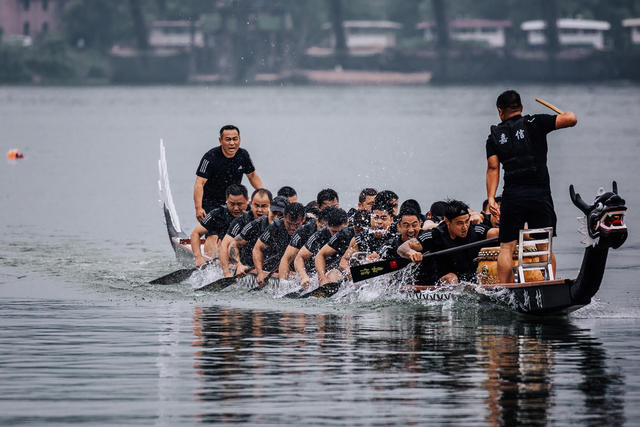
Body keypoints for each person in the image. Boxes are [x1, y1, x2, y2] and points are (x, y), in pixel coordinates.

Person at [486, 90, 577, 283]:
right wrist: (568, 115)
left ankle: (504, 290)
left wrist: (492, 197)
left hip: (512, 196)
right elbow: (571, 119)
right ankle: (549, 285)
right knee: (544, 246)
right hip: (540, 195)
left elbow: (493, 168)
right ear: (521, 108)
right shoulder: (536, 122)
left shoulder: (494, 136)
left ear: (500, 111)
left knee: (506, 247)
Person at [398, 200, 498, 284]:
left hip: (470, 278)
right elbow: (403, 248)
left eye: (466, 221)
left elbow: (496, 233)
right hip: (440, 279)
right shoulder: (435, 234)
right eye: (459, 223)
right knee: (452, 278)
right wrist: (412, 253)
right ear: (447, 221)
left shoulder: (476, 230)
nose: (465, 227)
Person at [194, 125, 263, 222]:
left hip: (235, 200)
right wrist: (198, 208)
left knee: (258, 214)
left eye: (235, 139)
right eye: (228, 139)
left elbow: (252, 176)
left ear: (239, 139)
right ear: (220, 140)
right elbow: (199, 183)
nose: (232, 143)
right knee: (217, 229)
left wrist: (263, 195)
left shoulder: (243, 155)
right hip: (211, 203)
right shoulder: (210, 157)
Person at [278, 188, 341, 279]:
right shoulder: (306, 229)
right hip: (312, 272)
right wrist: (283, 284)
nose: (332, 211)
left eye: (335, 207)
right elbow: (287, 259)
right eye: (328, 208)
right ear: (319, 208)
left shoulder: (345, 225)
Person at [227, 195, 288, 277]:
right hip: (249, 269)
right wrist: (238, 265)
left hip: (274, 270)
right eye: (274, 212)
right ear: (269, 209)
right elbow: (233, 244)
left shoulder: (291, 229)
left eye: (281, 215)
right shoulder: (256, 224)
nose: (276, 217)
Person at [190, 184, 249, 267]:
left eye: (239, 204)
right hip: (222, 249)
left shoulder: (253, 213)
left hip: (244, 250)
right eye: (232, 204)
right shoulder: (217, 214)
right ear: (226, 201)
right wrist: (198, 257)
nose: (236, 208)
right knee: (213, 238)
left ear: (247, 200)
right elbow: (195, 234)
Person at [219, 188, 272, 277]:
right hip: (246, 266)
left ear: (271, 206)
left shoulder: (277, 223)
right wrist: (228, 272)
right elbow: (225, 245)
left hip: (268, 266)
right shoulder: (241, 221)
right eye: (256, 205)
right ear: (251, 204)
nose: (259, 210)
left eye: (264, 206)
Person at [294, 207, 349, 289]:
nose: (336, 236)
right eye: (333, 232)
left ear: (347, 223)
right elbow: (299, 257)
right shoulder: (319, 235)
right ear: (328, 226)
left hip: (345, 269)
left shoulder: (353, 232)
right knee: (333, 274)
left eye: (340, 232)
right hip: (326, 271)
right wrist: (304, 277)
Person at [253, 202, 306, 286]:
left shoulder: (309, 228)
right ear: (284, 217)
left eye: (296, 224)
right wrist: (260, 273)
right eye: (289, 223)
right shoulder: (275, 226)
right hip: (278, 265)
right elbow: (257, 248)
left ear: (303, 220)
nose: (292, 228)